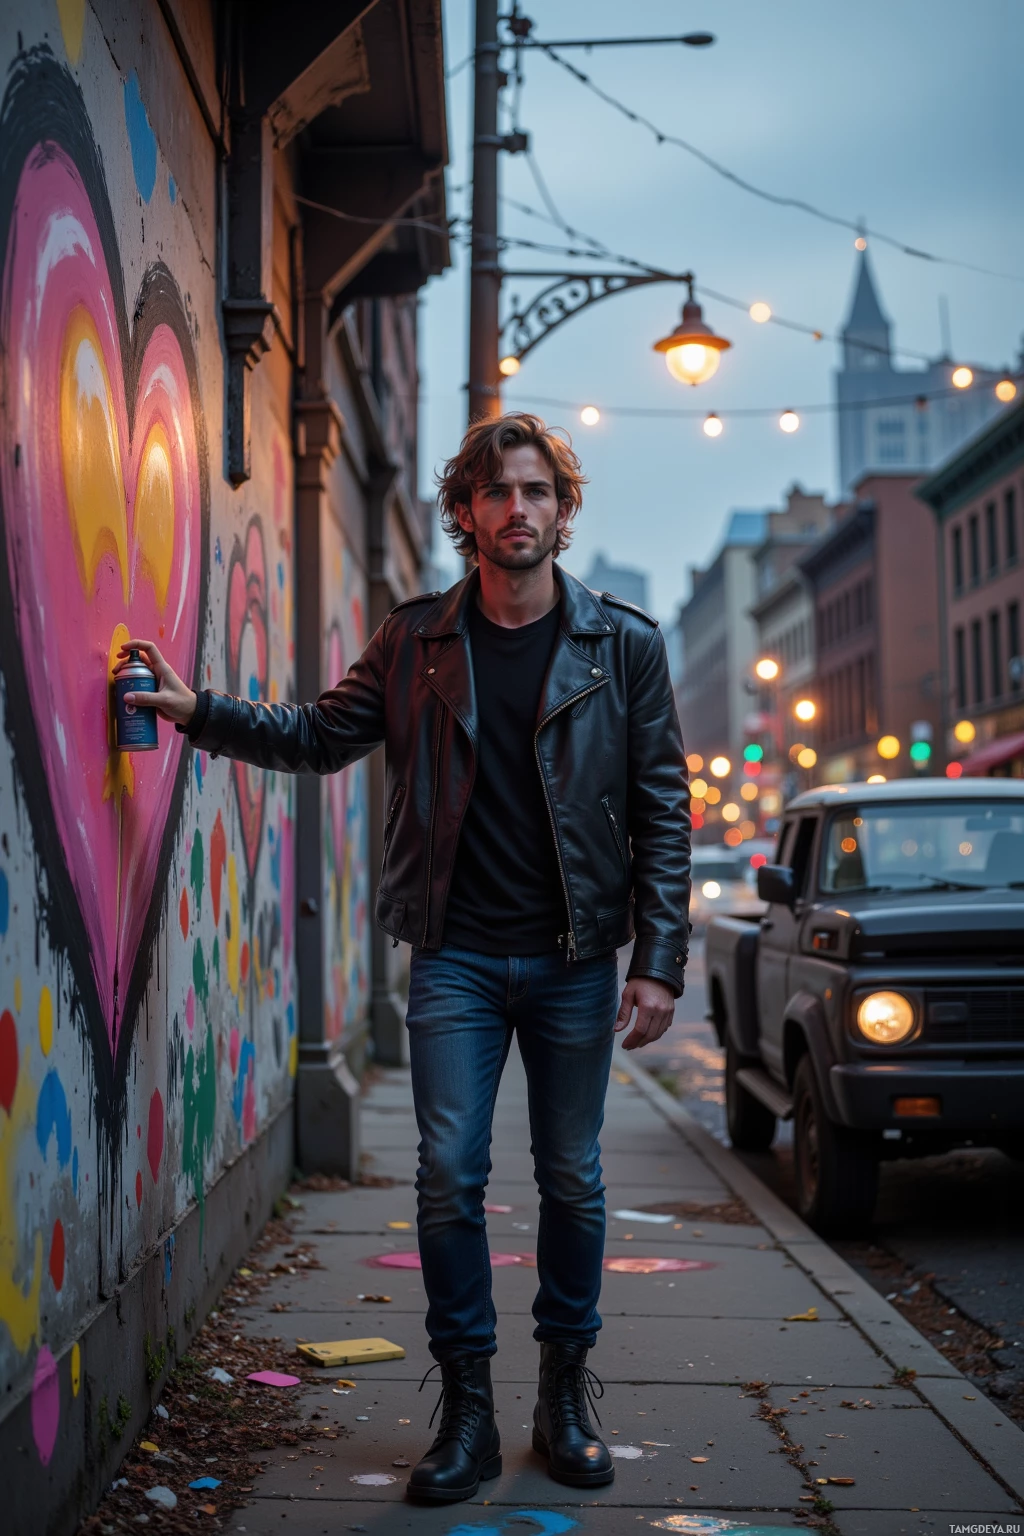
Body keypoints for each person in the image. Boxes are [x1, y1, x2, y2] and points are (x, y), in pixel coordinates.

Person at [121, 411, 691, 1505]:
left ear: (561, 512)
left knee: (571, 1179)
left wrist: (656, 957)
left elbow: (663, 808)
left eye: (535, 491)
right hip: (457, 960)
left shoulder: (625, 646)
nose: (516, 509)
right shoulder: (417, 640)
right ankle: (467, 1410)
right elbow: (316, 737)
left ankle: (563, 1395)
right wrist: (197, 712)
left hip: (575, 961)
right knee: (448, 1180)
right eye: (495, 492)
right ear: (465, 511)